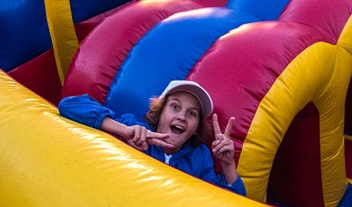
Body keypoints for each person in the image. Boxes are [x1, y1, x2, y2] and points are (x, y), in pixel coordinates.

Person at [58, 80, 245, 195]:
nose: (181, 116)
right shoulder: (134, 129)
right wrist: (122, 130)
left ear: (196, 128)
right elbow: (70, 105)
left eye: (192, 114)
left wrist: (228, 164)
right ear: (160, 112)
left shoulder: (200, 157)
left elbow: (226, 206)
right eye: (175, 107)